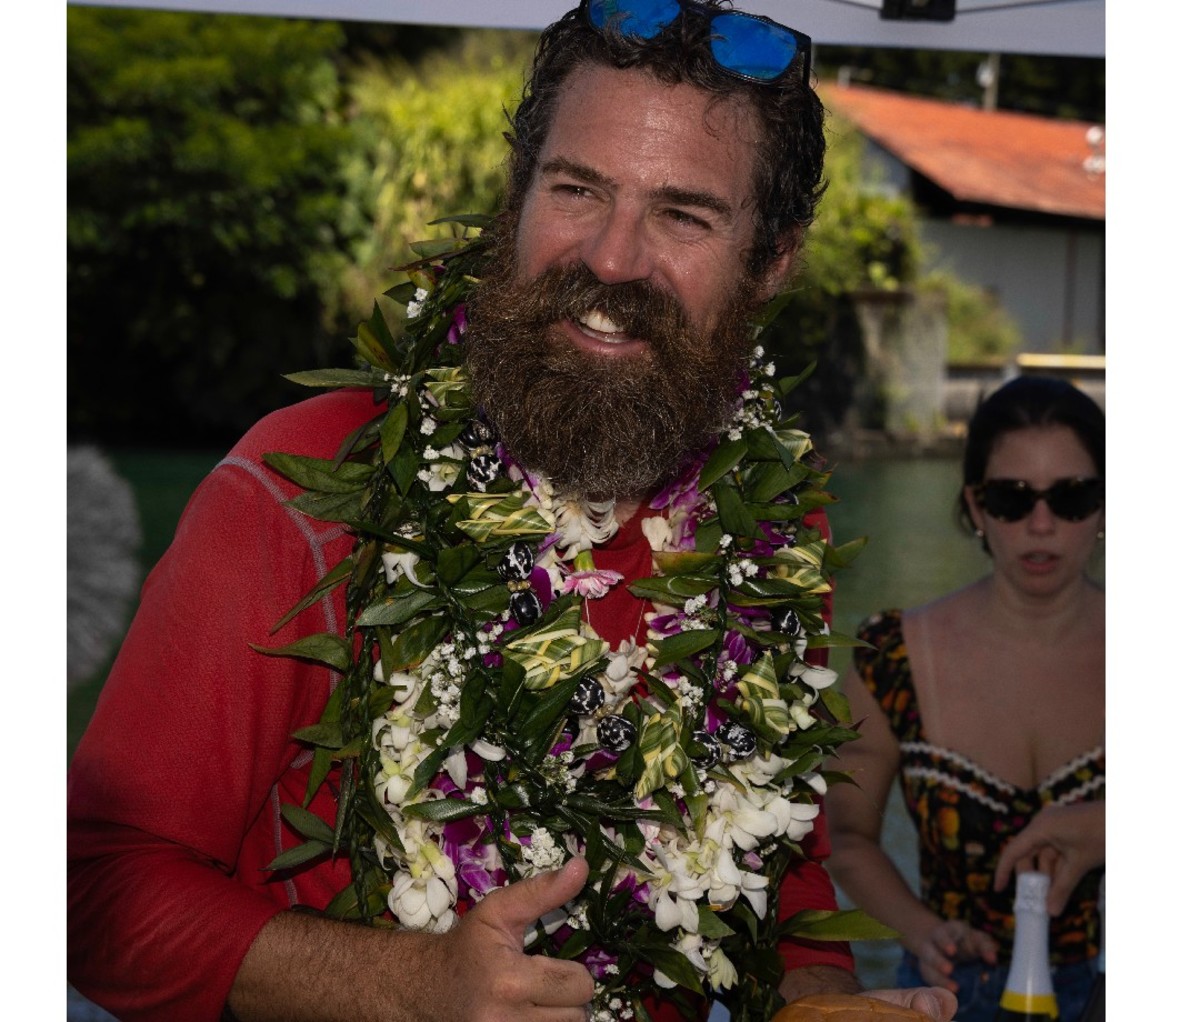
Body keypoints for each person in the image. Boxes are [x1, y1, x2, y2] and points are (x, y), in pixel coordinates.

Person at [66, 3, 957, 1021]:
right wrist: (401, 984)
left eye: (684, 214)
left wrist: (816, 991)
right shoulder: (307, 490)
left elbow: (771, 855)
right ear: (517, 192)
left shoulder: (768, 537)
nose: (613, 259)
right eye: (576, 189)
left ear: (772, 261)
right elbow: (93, 891)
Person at [826, 375, 1105, 1022]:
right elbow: (847, 836)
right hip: (947, 995)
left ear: (1104, 505)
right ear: (976, 507)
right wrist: (921, 930)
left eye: (1072, 497)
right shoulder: (893, 655)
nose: (1042, 525)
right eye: (1011, 499)